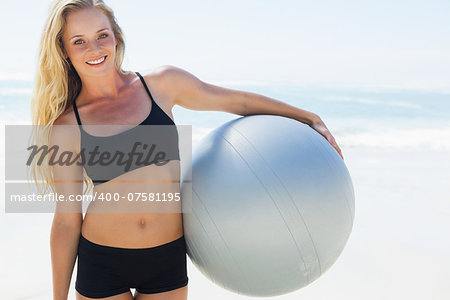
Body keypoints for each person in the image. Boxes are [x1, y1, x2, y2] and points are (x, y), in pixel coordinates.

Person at [30, 1, 343, 299]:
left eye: (102, 35)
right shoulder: (69, 125)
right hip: (102, 261)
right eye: (79, 42)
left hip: (166, 257)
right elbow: (67, 220)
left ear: (116, 36)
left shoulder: (162, 84)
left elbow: (236, 102)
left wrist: (308, 117)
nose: (96, 49)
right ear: (65, 51)